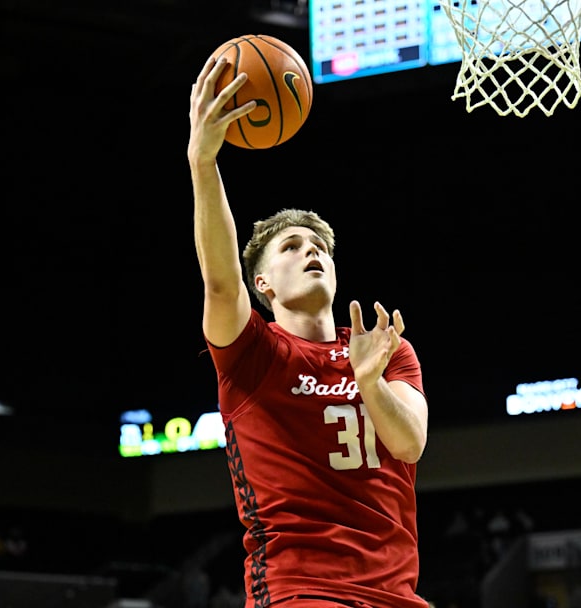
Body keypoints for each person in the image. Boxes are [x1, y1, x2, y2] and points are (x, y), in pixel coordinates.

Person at [187, 54, 430, 608]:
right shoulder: (253, 352)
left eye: (318, 247)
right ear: (264, 282)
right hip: (300, 592)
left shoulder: (386, 348)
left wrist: (370, 381)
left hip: (393, 593)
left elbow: (410, 442)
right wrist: (204, 161)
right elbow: (222, 285)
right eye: (291, 248)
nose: (310, 252)